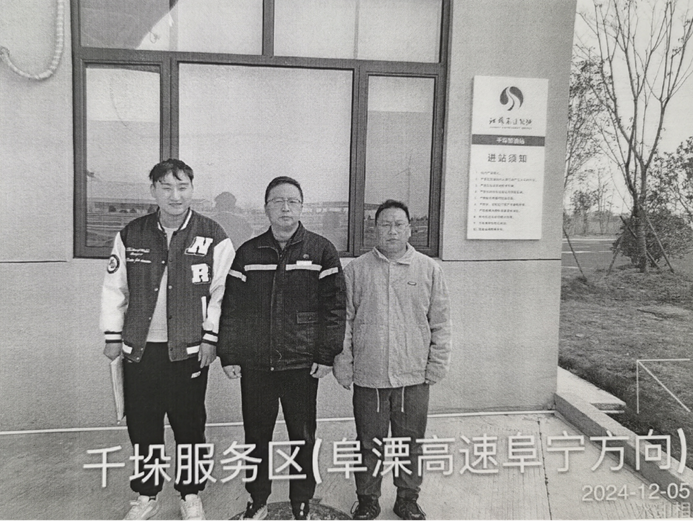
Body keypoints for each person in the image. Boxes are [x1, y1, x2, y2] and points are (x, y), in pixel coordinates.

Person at [100, 159, 235, 521]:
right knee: (143, 425)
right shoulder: (132, 234)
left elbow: (223, 292)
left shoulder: (213, 234)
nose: (175, 195)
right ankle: (147, 496)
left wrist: (211, 338)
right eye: (166, 187)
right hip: (140, 351)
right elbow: (115, 288)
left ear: (192, 189)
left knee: (189, 426)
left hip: (189, 350)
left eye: (182, 187)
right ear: (154, 191)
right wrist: (112, 335)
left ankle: (190, 494)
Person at [218, 176, 346, 521]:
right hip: (256, 364)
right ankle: (258, 500)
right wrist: (229, 354)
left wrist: (326, 354)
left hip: (301, 364)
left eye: (292, 201)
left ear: (302, 207)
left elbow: (334, 308)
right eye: (278, 201)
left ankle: (301, 502)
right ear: (266, 209)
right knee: (256, 436)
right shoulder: (249, 252)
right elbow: (232, 308)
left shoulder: (321, 251)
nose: (285, 208)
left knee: (302, 437)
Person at [333, 199, 451, 521]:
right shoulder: (356, 270)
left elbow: (441, 322)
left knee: (410, 441)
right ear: (374, 230)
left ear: (410, 229)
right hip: (369, 374)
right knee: (368, 442)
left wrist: (436, 364)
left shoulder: (428, 269)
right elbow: (343, 321)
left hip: (413, 375)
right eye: (385, 225)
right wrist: (344, 363)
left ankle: (407, 500)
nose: (392, 231)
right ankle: (367, 500)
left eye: (399, 224)